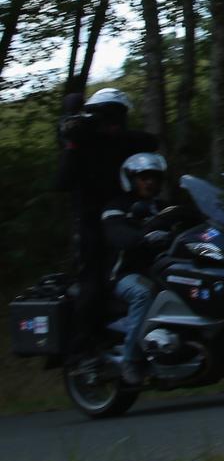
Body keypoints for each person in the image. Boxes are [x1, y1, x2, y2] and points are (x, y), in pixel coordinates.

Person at [56, 88, 160, 350]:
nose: (115, 123)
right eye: (110, 116)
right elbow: (61, 181)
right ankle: (85, 345)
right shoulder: (80, 143)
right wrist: (72, 139)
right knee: (93, 279)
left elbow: (150, 142)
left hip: (124, 213)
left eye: (119, 117)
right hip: (91, 222)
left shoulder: (124, 141)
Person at [102, 152, 173, 384]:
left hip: (158, 270)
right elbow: (118, 236)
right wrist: (144, 237)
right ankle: (131, 360)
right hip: (124, 274)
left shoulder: (163, 207)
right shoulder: (117, 207)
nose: (149, 181)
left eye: (153, 176)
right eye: (143, 177)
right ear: (131, 179)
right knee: (143, 293)